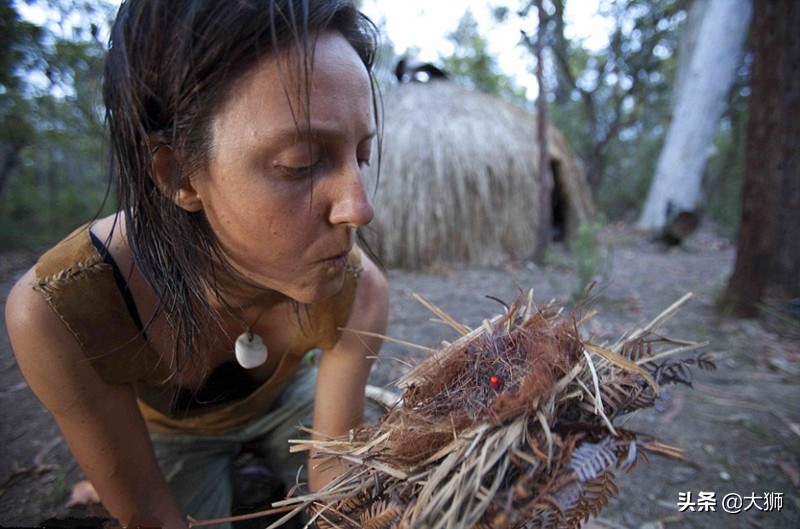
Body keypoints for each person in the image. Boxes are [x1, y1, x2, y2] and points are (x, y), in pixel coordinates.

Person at [4, 1, 389, 528]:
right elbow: (150, 514)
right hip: (169, 432)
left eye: (360, 156)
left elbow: (332, 473)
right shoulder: (64, 316)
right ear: (179, 174)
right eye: (299, 164)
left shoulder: (356, 291)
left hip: (289, 401)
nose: (359, 209)